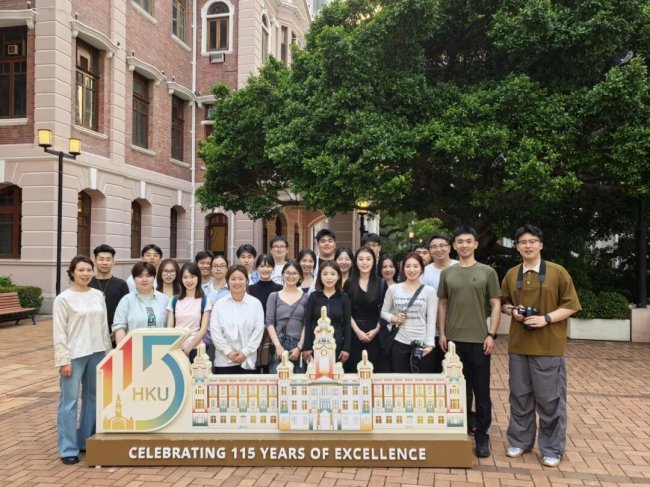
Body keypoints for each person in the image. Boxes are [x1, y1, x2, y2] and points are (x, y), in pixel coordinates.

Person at [501, 225, 581, 468]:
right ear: (517, 247)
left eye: (532, 241)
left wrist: (546, 318)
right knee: (519, 397)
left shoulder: (557, 272)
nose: (528, 246)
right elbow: (504, 303)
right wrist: (513, 311)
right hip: (518, 346)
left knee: (550, 400)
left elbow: (571, 305)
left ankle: (552, 449)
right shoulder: (512, 274)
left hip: (548, 346)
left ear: (541, 245)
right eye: (523, 242)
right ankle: (520, 441)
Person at [438, 225, 501, 459]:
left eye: (468, 241)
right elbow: (443, 303)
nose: (464, 245)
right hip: (453, 341)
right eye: (460, 241)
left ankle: (482, 433)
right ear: (454, 246)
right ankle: (461, 427)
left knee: (481, 389)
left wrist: (491, 334)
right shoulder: (448, 273)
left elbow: (496, 303)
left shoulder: (487, 272)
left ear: (475, 244)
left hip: (479, 340)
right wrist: (442, 333)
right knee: (457, 388)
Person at [53, 256, 111, 465]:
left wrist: (108, 353)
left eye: (88, 270)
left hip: (97, 352)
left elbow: (104, 326)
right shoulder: (63, 299)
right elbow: (59, 332)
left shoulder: (97, 295)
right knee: (69, 401)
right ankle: (68, 448)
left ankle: (85, 440)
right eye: (81, 270)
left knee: (92, 397)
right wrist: (64, 360)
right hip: (74, 355)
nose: (85, 274)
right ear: (72, 272)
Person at [380, 253, 437, 374]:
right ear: (403, 268)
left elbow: (431, 320)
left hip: (421, 344)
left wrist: (430, 344)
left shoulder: (429, 291)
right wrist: (394, 318)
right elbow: (383, 312)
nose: (412, 270)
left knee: (421, 382)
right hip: (399, 342)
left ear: (422, 268)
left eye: (416, 266)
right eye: (408, 266)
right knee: (400, 381)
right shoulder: (393, 289)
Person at [210, 265, 265, 374]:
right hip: (224, 361)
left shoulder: (255, 304)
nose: (237, 282)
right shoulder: (220, 305)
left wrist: (245, 352)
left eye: (241, 279)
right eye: (233, 279)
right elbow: (215, 332)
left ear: (246, 281)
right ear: (227, 282)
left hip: (248, 361)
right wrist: (228, 352)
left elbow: (258, 331)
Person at [302, 261, 352, 366]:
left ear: (338, 276)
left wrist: (346, 348)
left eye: (333, 274)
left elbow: (347, 324)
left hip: (337, 346)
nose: (329, 277)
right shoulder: (314, 296)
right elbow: (308, 322)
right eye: (325, 274)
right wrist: (307, 346)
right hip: (316, 345)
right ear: (320, 277)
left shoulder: (343, 298)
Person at [421, 232, 458, 373]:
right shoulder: (424, 272)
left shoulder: (460, 267)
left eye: (442, 245)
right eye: (434, 247)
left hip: (457, 330)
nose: (438, 249)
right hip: (432, 333)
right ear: (430, 251)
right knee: (433, 373)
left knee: (456, 374)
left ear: (450, 247)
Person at [344, 247, 383, 372]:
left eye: (368, 259)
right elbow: (346, 311)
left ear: (374, 261)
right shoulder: (349, 283)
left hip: (375, 334)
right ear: (355, 262)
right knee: (353, 371)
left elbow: (384, 310)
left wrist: (376, 330)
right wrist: (357, 331)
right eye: (360, 259)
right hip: (353, 333)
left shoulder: (381, 283)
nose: (364, 262)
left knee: (372, 371)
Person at [266, 261, 309, 373]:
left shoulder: (306, 297)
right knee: (277, 380)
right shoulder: (274, 296)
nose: (291, 276)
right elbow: (269, 323)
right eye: (288, 273)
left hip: (298, 344)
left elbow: (306, 324)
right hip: (279, 342)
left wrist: (299, 347)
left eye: (294, 273)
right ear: (283, 274)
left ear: (300, 276)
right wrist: (277, 346)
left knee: (298, 381)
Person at [113, 262, 169, 345]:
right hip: (134, 348)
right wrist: (124, 351)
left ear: (154, 278)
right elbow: (119, 327)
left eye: (148, 276)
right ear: (134, 278)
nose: (144, 280)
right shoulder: (126, 300)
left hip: (160, 347)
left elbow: (169, 327)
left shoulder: (164, 299)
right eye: (140, 276)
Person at [167, 263, 211, 363]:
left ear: (198, 278)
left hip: (196, 350)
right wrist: (177, 347)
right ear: (181, 279)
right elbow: (170, 328)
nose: (189, 280)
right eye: (185, 277)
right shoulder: (174, 300)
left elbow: (203, 329)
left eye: (192, 277)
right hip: (176, 349)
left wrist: (188, 349)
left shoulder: (204, 300)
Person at [247, 254, 283, 372]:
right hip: (254, 334)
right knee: (254, 369)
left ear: (273, 268)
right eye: (262, 266)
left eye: (268, 266)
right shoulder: (250, 289)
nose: (265, 269)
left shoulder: (279, 289)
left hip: (273, 335)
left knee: (271, 370)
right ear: (257, 268)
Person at [90, 244, 129, 346]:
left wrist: (120, 330)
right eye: (101, 259)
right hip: (91, 335)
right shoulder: (88, 284)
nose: (105, 263)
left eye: (108, 259)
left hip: (115, 334)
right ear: (94, 261)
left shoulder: (121, 284)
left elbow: (126, 311)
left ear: (113, 262)